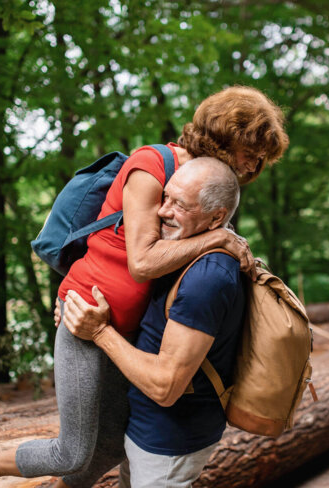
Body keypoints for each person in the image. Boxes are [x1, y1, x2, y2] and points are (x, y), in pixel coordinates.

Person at [0, 86, 288, 488]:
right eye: (249, 154)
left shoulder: (202, 186)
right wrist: (220, 239)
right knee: (74, 450)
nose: (252, 167)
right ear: (224, 135)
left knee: (112, 444)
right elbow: (143, 262)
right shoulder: (152, 165)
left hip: (123, 333)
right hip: (85, 319)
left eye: (259, 161)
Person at [63, 157, 244, 487]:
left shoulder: (207, 277)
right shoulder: (182, 250)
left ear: (217, 216)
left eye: (180, 205)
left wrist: (100, 331)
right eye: (166, 197)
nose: (162, 211)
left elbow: (165, 385)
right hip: (150, 432)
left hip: (170, 445)